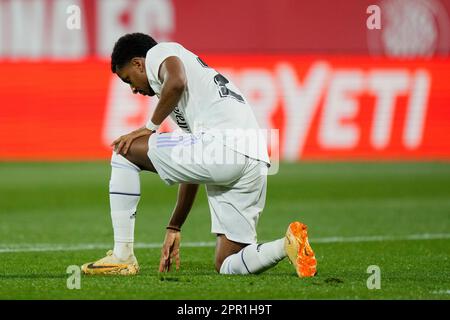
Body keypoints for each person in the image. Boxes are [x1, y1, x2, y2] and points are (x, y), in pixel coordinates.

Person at [81, 33, 317, 277]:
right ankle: (287, 245)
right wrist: (175, 225)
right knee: (228, 262)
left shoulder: (159, 53)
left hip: (223, 146)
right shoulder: (189, 95)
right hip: (254, 157)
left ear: (139, 63)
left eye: (129, 78)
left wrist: (148, 128)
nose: (132, 89)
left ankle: (122, 256)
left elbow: (176, 81)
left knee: (123, 151)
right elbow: (191, 165)